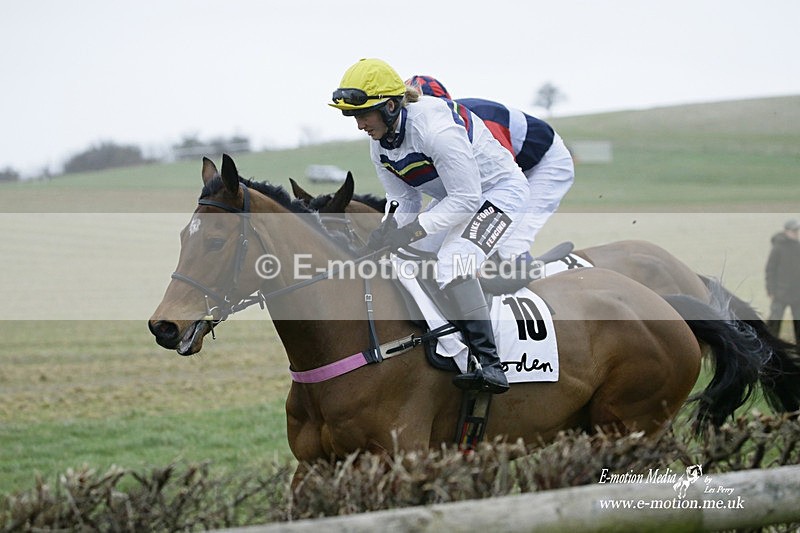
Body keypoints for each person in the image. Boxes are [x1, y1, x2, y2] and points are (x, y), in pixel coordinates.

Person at [330, 58, 532, 394]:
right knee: (399, 260)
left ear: (391, 106)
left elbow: (467, 199)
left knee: (454, 262)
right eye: (353, 116)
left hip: (500, 195)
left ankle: (490, 363)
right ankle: (443, 340)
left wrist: (413, 230)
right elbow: (404, 199)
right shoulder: (379, 141)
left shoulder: (436, 131)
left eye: (364, 114)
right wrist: (385, 231)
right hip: (456, 199)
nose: (360, 124)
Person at [406, 75, 574, 252]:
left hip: (545, 163)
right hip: (510, 168)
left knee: (508, 247)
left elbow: (503, 178)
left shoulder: (473, 121)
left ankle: (535, 273)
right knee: (426, 242)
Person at [765, 219, 800, 341]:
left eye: (797, 230)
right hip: (780, 293)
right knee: (774, 323)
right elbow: (770, 270)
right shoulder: (778, 248)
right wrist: (771, 290)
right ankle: (770, 348)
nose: (796, 233)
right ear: (786, 231)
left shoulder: (798, 247)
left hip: (797, 293)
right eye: (794, 230)